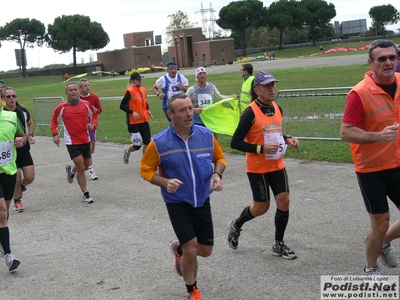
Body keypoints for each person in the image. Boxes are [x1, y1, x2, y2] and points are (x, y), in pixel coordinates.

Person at [139, 93, 226, 300]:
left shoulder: (206, 135)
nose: (189, 114)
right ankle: (192, 290)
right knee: (192, 248)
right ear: (170, 114)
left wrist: (217, 173)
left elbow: (220, 158)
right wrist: (164, 182)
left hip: (202, 199)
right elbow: (145, 170)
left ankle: (177, 247)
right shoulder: (159, 143)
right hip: (177, 201)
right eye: (182, 110)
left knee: (205, 251)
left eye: (190, 108)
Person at [340, 39, 400, 276]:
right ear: (370, 62)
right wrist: (378, 136)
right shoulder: (359, 93)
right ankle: (371, 268)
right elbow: (345, 132)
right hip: (371, 169)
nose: (388, 62)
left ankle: (383, 242)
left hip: (398, 162)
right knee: (380, 221)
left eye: (392, 57)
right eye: (382, 58)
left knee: (382, 228)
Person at [228, 71, 299, 260]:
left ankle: (278, 244)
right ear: (257, 89)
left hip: (277, 165)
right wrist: (261, 148)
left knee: (284, 201)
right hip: (257, 168)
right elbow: (235, 142)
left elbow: (274, 133)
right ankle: (237, 224)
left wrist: (288, 139)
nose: (271, 89)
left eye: (273, 85)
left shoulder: (277, 108)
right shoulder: (250, 112)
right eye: (267, 86)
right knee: (261, 207)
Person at [50, 82, 98, 204]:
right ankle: (85, 194)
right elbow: (54, 120)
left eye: (74, 89)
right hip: (72, 141)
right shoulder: (61, 107)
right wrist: (55, 134)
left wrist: (92, 124)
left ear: (78, 91)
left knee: (86, 166)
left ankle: (72, 171)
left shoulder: (86, 104)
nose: (73, 92)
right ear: (66, 93)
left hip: (85, 139)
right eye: (70, 90)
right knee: (81, 166)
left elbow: (94, 116)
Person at [0, 87, 25, 271]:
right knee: (2, 212)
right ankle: (9, 255)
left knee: (5, 212)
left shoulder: (11, 117)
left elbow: (21, 136)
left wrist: (21, 141)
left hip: (8, 170)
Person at [3, 88, 35, 213]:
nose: (11, 98)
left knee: (29, 177)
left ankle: (20, 188)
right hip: (10, 152)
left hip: (24, 149)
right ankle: (17, 201)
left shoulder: (23, 112)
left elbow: (30, 124)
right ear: (4, 99)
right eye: (8, 96)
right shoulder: (4, 114)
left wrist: (30, 135)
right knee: (16, 177)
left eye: (13, 96)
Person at [120, 73, 153, 164]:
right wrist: (132, 112)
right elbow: (122, 106)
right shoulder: (129, 91)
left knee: (147, 142)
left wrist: (148, 110)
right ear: (133, 81)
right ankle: (127, 151)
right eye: (138, 79)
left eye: (140, 79)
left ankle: (145, 163)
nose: (140, 81)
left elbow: (145, 102)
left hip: (144, 120)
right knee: (137, 145)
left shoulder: (143, 90)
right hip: (133, 122)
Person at [78, 78, 102, 181]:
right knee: (87, 149)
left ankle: (76, 167)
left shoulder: (94, 97)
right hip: (82, 128)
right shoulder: (77, 98)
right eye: (85, 86)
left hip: (92, 126)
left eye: (88, 85)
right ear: (80, 88)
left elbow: (99, 109)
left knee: (91, 149)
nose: (87, 87)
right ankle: (91, 171)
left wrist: (94, 110)